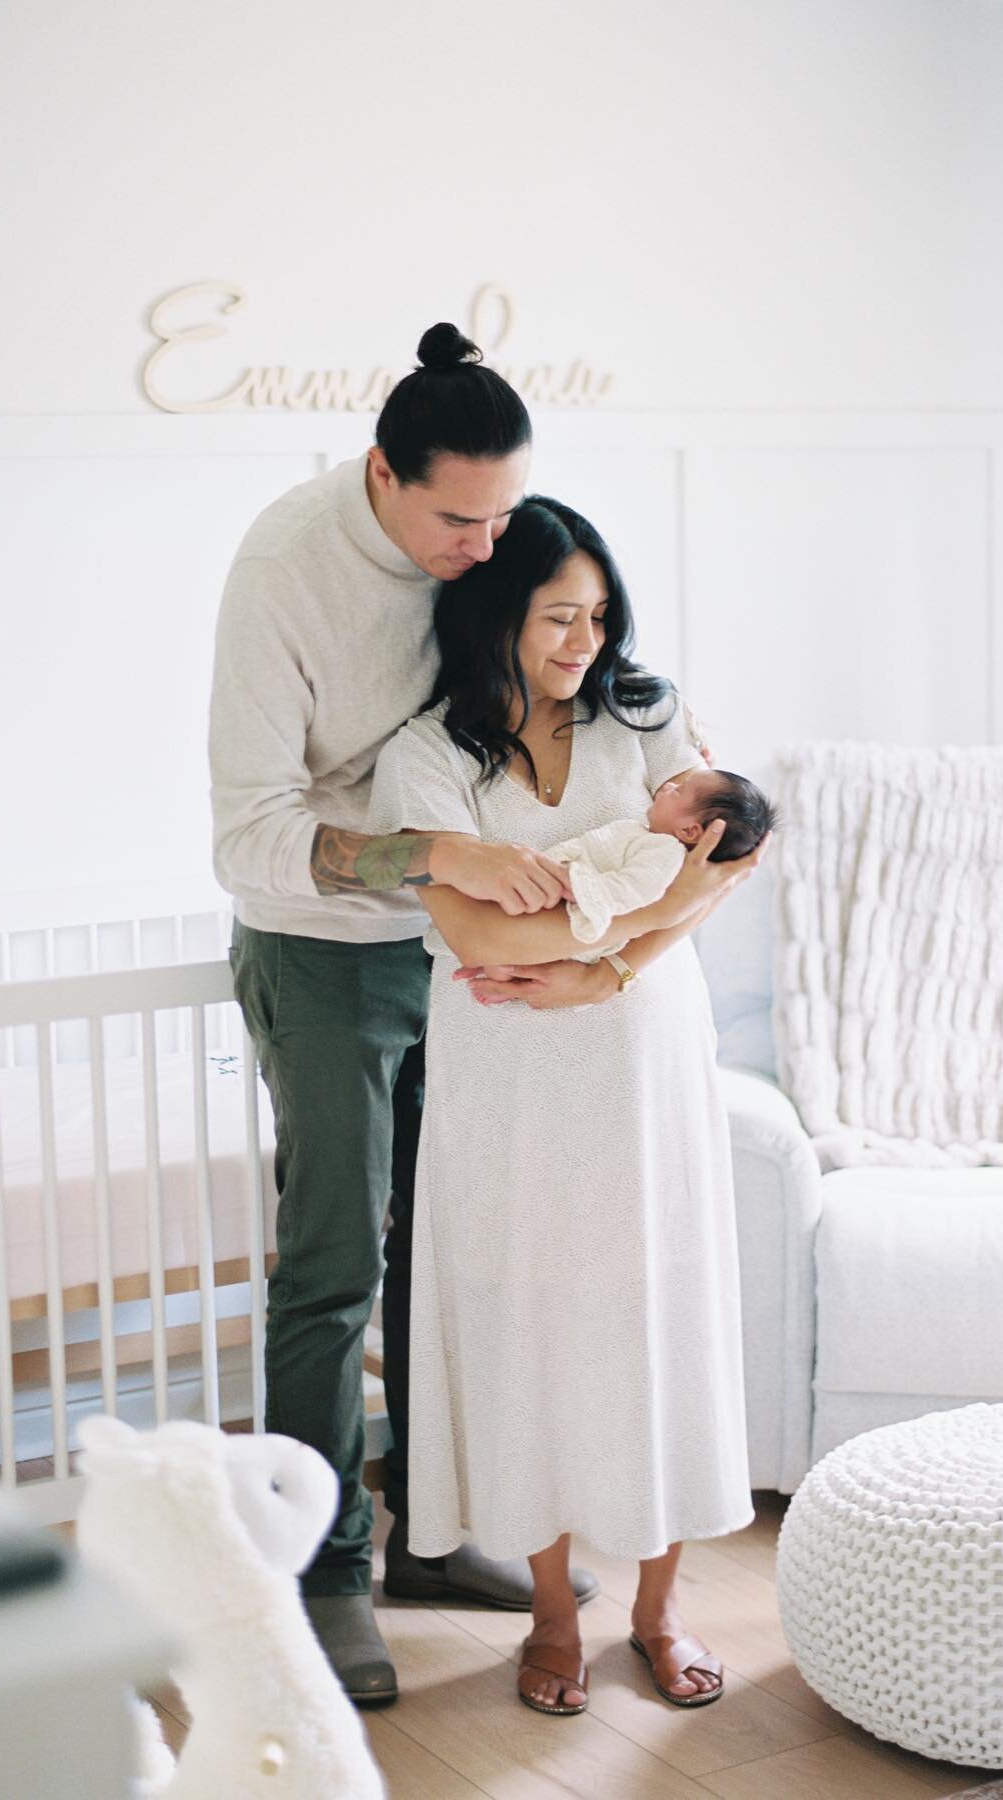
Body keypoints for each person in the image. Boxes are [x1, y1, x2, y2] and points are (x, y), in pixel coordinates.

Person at [210, 323, 600, 1709]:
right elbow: (251, 839)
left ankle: (432, 1532)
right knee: (331, 1269)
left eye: (500, 515)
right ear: (382, 473)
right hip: (322, 954)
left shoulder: (487, 547)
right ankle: (320, 1570)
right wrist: (433, 857)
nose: (482, 545)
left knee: (453, 1246)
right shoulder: (285, 571)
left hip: (456, 947)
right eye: (457, 518)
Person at [368, 495, 766, 1717]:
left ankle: (657, 1608)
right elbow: (476, 927)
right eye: (556, 618)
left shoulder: (644, 713)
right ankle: (553, 1613)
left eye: (598, 616)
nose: (583, 641)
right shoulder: (426, 757)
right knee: (525, 1322)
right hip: (504, 1071)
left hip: (641, 1050)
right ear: (496, 615)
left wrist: (609, 963)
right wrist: (631, 925)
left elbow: (725, 861)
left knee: (655, 1308)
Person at [547, 768, 777, 953]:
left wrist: (572, 884)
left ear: (689, 831)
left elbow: (628, 890)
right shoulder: (650, 838)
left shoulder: (666, 855)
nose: (668, 786)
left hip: (581, 914)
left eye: (678, 791)